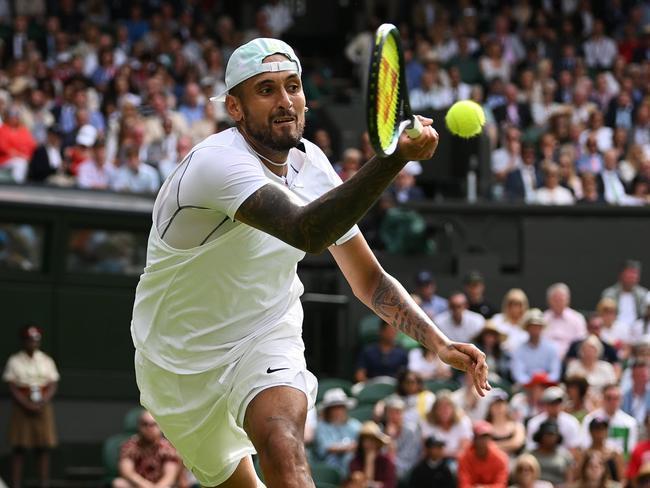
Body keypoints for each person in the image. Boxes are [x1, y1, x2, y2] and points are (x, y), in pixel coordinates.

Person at [130, 38, 489, 488]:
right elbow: (307, 232)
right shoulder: (216, 166)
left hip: (266, 335)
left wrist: (438, 343)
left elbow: (368, 279)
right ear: (235, 109)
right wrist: (393, 159)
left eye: (293, 86)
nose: (284, 101)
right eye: (265, 90)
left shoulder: (311, 164)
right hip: (177, 363)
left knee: (283, 443)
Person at [113, 410, 182, 488]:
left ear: (160, 427)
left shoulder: (168, 448)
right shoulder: (130, 446)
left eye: (153, 424)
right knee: (119, 483)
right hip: (138, 486)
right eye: (145, 424)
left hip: (160, 485)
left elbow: (169, 477)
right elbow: (127, 472)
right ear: (139, 426)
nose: (149, 428)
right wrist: (146, 485)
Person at [580, 384, 638, 457]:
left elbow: (630, 451)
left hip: (620, 463)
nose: (612, 402)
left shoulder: (630, 423)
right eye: (609, 398)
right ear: (602, 399)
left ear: (621, 400)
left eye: (616, 398)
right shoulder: (590, 420)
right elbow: (585, 445)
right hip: (595, 461)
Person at [313, 388, 361, 475]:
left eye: (341, 407)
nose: (338, 411)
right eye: (334, 408)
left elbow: (363, 442)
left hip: (354, 465)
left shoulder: (355, 424)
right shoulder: (322, 426)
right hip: (330, 465)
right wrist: (348, 447)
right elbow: (326, 447)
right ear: (328, 411)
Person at [511, 309, 562, 385]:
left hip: (547, 386)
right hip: (526, 387)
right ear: (527, 328)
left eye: (538, 327)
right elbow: (518, 374)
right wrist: (532, 384)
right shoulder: (519, 349)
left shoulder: (551, 348)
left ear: (542, 328)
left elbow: (555, 373)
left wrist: (543, 382)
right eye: (532, 326)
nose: (535, 330)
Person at [526, 386, 582, 455]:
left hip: (564, 461)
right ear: (545, 404)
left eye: (557, 402)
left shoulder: (572, 422)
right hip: (540, 459)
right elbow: (531, 447)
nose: (554, 406)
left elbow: (574, 448)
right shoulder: (534, 423)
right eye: (551, 402)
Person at [420, 391, 473, 460]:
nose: (444, 411)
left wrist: (442, 454)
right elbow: (427, 450)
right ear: (435, 410)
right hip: (433, 461)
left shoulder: (463, 421)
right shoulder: (428, 422)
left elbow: (464, 451)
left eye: (447, 407)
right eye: (440, 407)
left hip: (457, 461)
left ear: (453, 409)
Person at [457, 420, 509, 488]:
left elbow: (501, 485)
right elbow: (464, 485)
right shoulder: (464, 458)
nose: (483, 440)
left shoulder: (500, 458)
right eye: (480, 437)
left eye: (486, 436)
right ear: (474, 438)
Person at [381, 394, 422, 479]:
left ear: (403, 414)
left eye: (398, 412)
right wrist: (388, 436)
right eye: (391, 412)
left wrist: (391, 440)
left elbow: (409, 458)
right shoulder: (381, 431)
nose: (394, 416)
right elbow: (380, 455)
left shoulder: (411, 431)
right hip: (386, 466)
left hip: (407, 467)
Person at [543, 283, 588, 359]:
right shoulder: (543, 318)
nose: (558, 303)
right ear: (549, 301)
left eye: (561, 300)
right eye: (555, 300)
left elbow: (580, 342)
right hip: (546, 359)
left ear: (568, 300)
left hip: (570, 360)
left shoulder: (577, 318)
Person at [348, 421, 397, 488]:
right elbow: (359, 484)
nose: (368, 444)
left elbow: (389, 485)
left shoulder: (387, 462)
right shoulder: (355, 462)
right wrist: (369, 462)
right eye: (365, 440)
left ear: (378, 443)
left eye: (372, 440)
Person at [602, 260, 649, 328]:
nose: (632, 276)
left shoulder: (644, 294)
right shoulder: (609, 294)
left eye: (635, 273)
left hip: (638, 332)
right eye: (629, 273)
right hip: (614, 330)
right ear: (621, 274)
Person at [529, 420, 575, 486]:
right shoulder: (531, 455)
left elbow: (569, 480)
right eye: (547, 434)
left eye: (552, 434)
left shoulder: (565, 455)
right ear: (540, 436)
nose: (550, 438)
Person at [581, 417, 624, 483]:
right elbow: (580, 478)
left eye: (602, 429)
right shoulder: (584, 454)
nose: (600, 432)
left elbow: (621, 479)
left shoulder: (615, 454)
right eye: (597, 429)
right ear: (590, 431)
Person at [485, 389, 526, 458]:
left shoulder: (517, 426)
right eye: (495, 404)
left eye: (501, 403)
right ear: (490, 407)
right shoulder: (485, 427)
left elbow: (517, 443)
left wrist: (493, 446)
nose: (499, 407)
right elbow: (484, 447)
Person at [492, 288, 530, 353]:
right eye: (512, 304)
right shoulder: (497, 320)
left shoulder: (528, 323)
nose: (515, 308)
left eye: (519, 304)